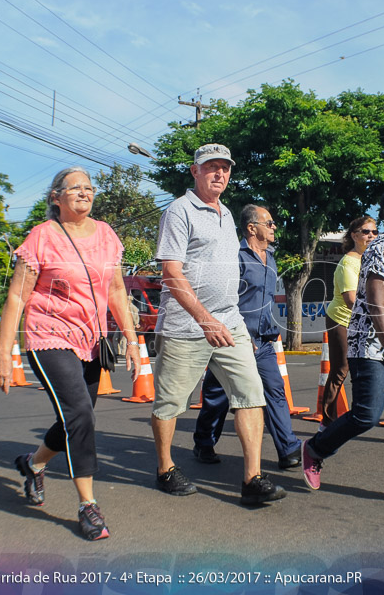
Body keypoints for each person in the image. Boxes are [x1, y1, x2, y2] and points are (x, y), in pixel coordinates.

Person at [0, 166, 139, 541]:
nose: (85, 193)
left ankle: (33, 464)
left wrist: (133, 339)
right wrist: (4, 353)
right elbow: (16, 297)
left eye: (89, 188)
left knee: (78, 416)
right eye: (75, 188)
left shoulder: (106, 235)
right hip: (48, 337)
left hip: (90, 340)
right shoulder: (41, 237)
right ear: (55, 197)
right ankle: (87, 505)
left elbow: (118, 291)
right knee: (79, 415)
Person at [151, 144, 287, 505]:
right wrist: (203, 318)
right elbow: (171, 272)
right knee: (169, 403)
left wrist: (229, 319)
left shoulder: (227, 214)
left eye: (225, 168)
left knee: (250, 395)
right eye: (211, 167)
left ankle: (252, 479)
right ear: (194, 171)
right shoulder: (180, 211)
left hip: (230, 320)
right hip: (186, 324)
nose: (219, 174)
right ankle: (165, 468)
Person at [301, 185, 384, 504]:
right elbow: (377, 305)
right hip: (374, 348)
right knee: (366, 415)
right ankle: (315, 449)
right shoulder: (380, 249)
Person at [193, 205, 303, 469]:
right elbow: (226, 299)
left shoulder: (271, 257)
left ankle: (288, 449)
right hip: (234, 339)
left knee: (274, 391)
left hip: (264, 339)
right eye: (270, 223)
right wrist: (237, 333)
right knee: (217, 396)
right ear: (252, 228)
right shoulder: (236, 257)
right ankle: (204, 443)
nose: (274, 227)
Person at [322, 216, 379, 428]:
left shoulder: (374, 260)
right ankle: (327, 421)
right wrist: (379, 318)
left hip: (369, 322)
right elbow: (350, 300)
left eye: (374, 232)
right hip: (343, 321)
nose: (371, 236)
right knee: (340, 370)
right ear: (354, 235)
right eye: (366, 232)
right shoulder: (349, 262)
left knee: (381, 367)